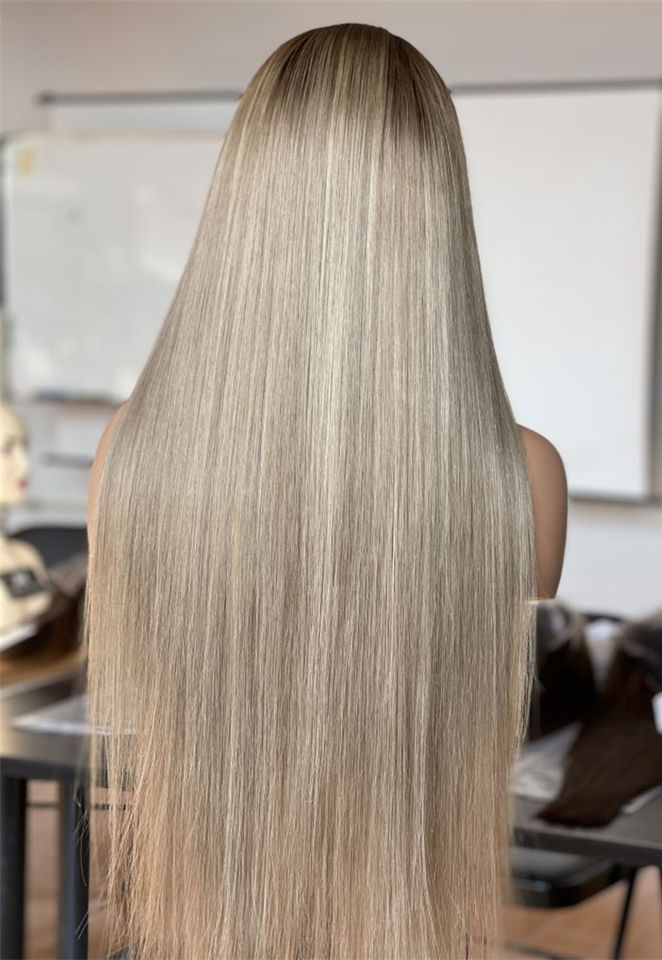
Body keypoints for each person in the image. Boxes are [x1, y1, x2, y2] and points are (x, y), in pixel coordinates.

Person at [86, 22, 567, 960]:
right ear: (439, 209)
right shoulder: (519, 476)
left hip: (211, 924)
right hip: (394, 923)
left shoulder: (128, 455)